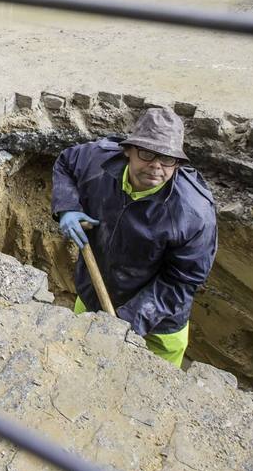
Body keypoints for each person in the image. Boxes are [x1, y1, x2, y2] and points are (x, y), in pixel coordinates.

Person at [52, 107, 217, 367]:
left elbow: (183, 280)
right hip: (94, 292)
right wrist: (67, 206)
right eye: (147, 154)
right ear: (128, 150)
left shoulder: (193, 214)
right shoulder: (98, 162)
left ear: (178, 163)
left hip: (160, 324)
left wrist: (127, 321)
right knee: (80, 364)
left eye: (167, 159)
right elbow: (65, 162)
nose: (156, 166)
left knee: (146, 390)